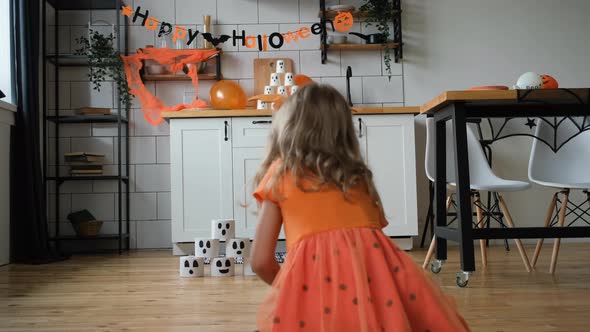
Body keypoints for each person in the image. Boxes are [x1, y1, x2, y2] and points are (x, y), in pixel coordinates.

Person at [249, 84, 469, 332]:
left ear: (286, 129)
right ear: (344, 133)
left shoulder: (281, 175)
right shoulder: (357, 178)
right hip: (377, 297)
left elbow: (260, 261)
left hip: (316, 292)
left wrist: (294, 293)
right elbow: (368, 248)